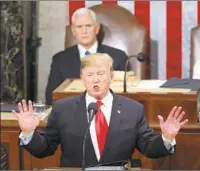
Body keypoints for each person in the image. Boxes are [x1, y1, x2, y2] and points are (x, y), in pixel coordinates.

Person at [13, 53, 188, 168]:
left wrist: (166, 138)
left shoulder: (132, 109)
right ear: (82, 77)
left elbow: (149, 147)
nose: (95, 80)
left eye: (101, 74)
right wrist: (29, 133)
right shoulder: (63, 108)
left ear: (111, 76)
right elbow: (45, 149)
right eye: (90, 75)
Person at [45, 8, 130, 105]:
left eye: (88, 26)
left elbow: (125, 96)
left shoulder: (118, 57)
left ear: (97, 28)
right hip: (71, 114)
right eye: (79, 27)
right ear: (73, 30)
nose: (84, 31)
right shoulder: (59, 60)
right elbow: (50, 97)